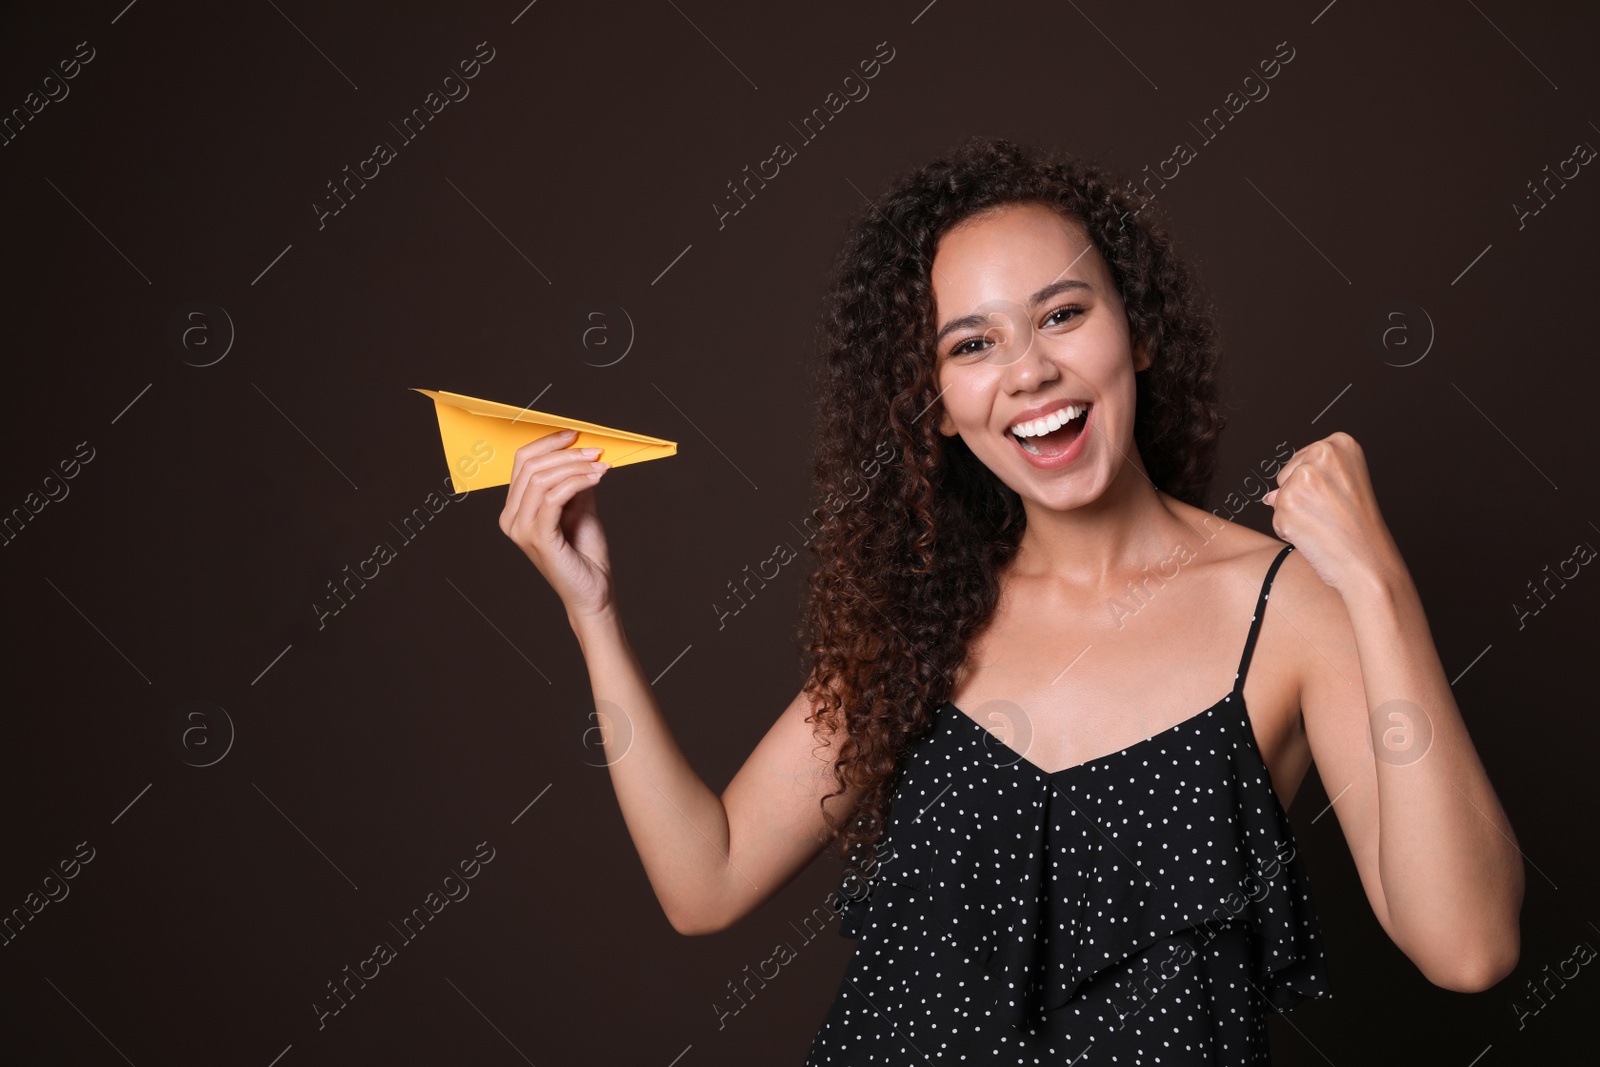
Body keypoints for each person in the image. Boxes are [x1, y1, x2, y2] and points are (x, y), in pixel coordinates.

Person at [495, 135, 1524, 1063]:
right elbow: (704, 879)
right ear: (936, 408)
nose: (1028, 371)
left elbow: (1469, 947)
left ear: (1141, 331)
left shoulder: (1293, 610)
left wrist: (1379, 583)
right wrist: (594, 614)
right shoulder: (923, 617)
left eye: (1062, 315)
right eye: (971, 344)